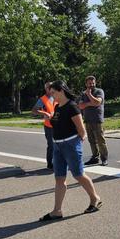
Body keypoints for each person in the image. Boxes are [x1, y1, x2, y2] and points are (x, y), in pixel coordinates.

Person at [40, 80, 102, 221]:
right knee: (59, 178)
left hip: (70, 145)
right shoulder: (58, 107)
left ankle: (95, 198)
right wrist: (50, 117)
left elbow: (81, 130)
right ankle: (57, 210)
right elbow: (58, 123)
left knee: (78, 175)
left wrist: (78, 142)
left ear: (61, 91)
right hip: (57, 146)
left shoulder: (72, 106)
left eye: (53, 93)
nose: (52, 96)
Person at [78, 75, 108, 166]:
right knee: (91, 141)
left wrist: (89, 95)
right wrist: (90, 103)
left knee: (100, 140)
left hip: (97, 119)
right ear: (86, 84)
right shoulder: (83, 93)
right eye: (90, 83)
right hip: (87, 120)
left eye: (93, 83)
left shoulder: (99, 91)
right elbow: (80, 106)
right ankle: (95, 157)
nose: (92, 85)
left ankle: (104, 158)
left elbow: (98, 102)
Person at [31, 82, 56, 170]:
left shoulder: (57, 96)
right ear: (46, 89)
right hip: (49, 126)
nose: (51, 89)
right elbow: (34, 110)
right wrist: (44, 113)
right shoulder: (42, 99)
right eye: (49, 87)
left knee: (61, 144)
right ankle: (50, 163)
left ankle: (59, 162)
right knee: (51, 145)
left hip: (59, 125)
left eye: (52, 87)